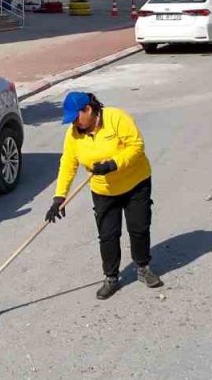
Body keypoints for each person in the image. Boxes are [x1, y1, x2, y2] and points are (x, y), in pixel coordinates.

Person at [46, 91, 162, 300]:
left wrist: (113, 164)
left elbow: (136, 146)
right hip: (103, 191)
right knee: (108, 235)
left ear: (88, 110)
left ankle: (143, 268)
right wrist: (59, 197)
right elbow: (68, 164)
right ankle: (111, 277)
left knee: (139, 228)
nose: (74, 124)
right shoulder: (73, 134)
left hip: (135, 183)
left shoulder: (116, 118)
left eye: (75, 118)